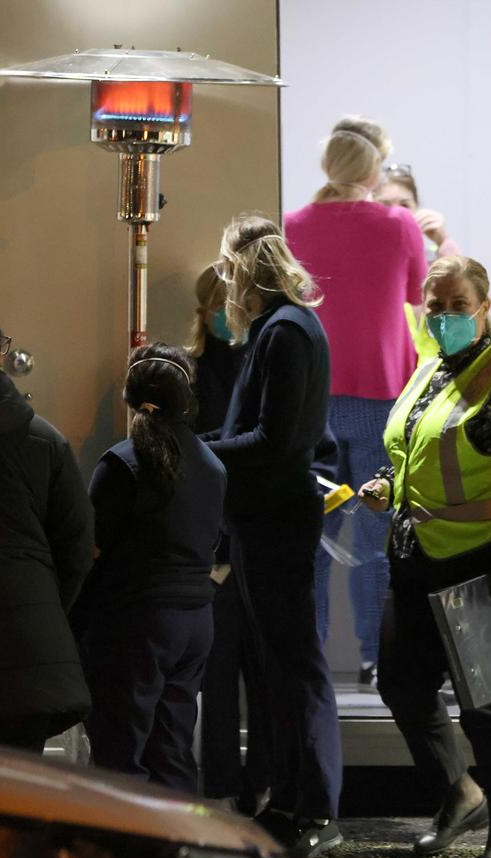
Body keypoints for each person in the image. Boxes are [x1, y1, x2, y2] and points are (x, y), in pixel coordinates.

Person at [359, 255, 491, 858]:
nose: (446, 316)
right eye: (437, 306)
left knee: (486, 699)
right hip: (421, 549)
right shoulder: (429, 371)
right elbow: (412, 456)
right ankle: (460, 793)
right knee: (401, 683)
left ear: (484, 305)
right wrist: (384, 486)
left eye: (458, 305)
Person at [205, 215, 343, 858]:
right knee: (279, 674)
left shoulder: (284, 332)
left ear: (245, 267)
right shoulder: (280, 329)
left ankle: (315, 807)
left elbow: (276, 442)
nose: (224, 278)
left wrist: (199, 451)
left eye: (228, 266)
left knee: (297, 672)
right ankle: (289, 802)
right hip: (264, 523)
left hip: (277, 526)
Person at [284, 116, 428, 691]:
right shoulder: (399, 225)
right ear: (373, 167)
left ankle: (311, 656)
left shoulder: (293, 224)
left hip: (310, 397)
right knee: (376, 540)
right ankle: (375, 658)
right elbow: (417, 296)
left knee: (313, 538)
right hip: (381, 395)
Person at [0, 285, 93, 752]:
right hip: (23, 648)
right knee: (9, 811)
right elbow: (76, 544)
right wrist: (42, 607)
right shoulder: (43, 441)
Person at [79, 343, 226, 792]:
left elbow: (91, 546)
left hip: (135, 621)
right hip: (196, 622)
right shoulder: (213, 465)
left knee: (121, 752)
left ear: (129, 395)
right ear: (188, 399)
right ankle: (175, 848)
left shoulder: (122, 463)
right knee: (174, 748)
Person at [187, 264, 269, 813]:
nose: (226, 314)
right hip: (211, 551)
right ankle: (218, 788)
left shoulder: (267, 366)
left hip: (260, 542)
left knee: (263, 678)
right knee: (215, 680)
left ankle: (261, 785)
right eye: (217, 304)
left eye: (234, 302)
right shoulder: (189, 375)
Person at [377, 162, 461, 364]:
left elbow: (471, 306)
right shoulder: (363, 264)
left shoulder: (436, 261)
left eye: (405, 206)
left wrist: (443, 240)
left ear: (417, 211)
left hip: (432, 384)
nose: (397, 215)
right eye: (384, 205)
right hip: (386, 385)